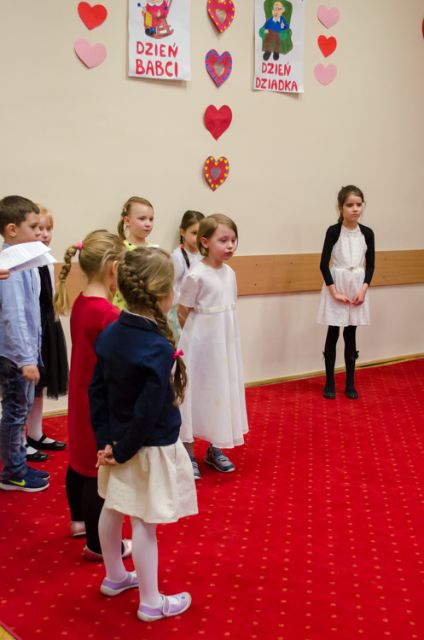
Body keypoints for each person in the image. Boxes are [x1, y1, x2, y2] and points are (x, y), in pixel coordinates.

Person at [89, 246, 197, 622]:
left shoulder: (112, 332)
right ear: (162, 293)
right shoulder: (155, 346)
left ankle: (115, 577)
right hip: (145, 447)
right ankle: (151, 602)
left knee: (112, 506)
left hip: (117, 441)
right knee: (144, 523)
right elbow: (148, 412)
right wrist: (123, 450)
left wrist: (106, 441)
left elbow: (96, 391)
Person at [54, 230, 131, 556]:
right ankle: (98, 545)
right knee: (96, 470)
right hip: (99, 400)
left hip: (81, 393)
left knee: (79, 460)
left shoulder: (82, 300)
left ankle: (79, 522)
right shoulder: (108, 314)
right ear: (114, 267)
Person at [177, 214, 249, 480]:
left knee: (220, 390)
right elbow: (182, 312)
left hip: (224, 343)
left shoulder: (230, 273)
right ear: (205, 242)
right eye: (223, 240)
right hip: (199, 345)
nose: (230, 245)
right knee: (195, 393)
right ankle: (188, 451)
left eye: (233, 240)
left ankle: (215, 448)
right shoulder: (196, 275)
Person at [0, 195, 49, 492]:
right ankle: (13, 473)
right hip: (14, 355)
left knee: (21, 409)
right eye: (33, 227)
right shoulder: (9, 267)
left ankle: (17, 463)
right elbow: (14, 316)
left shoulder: (24, 260)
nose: (39, 232)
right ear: (12, 229)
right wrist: (25, 358)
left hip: (26, 349)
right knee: (15, 413)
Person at [317, 185, 375, 400]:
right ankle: (330, 382)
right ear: (340, 207)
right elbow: (323, 264)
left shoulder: (367, 233)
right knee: (333, 332)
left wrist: (364, 289)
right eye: (350, 205)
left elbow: (371, 265)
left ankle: (350, 382)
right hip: (337, 284)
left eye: (359, 204)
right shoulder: (333, 231)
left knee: (351, 334)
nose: (355, 209)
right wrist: (334, 292)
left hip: (357, 286)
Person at [26, 206, 68, 462]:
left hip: (47, 324)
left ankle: (35, 433)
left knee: (40, 384)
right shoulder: (22, 263)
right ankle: (19, 441)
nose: (43, 234)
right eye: (38, 228)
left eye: (48, 229)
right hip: (32, 327)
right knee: (26, 388)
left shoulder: (47, 259)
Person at [114, 196, 156, 309]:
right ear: (127, 221)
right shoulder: (121, 249)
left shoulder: (154, 250)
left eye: (151, 219)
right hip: (125, 306)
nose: (148, 224)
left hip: (147, 306)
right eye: (142, 219)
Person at [168, 210, 205, 339]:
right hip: (181, 311)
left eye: (201, 234)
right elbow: (171, 286)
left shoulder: (203, 255)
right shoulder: (177, 257)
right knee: (183, 344)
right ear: (182, 232)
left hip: (198, 309)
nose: (198, 238)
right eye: (194, 233)